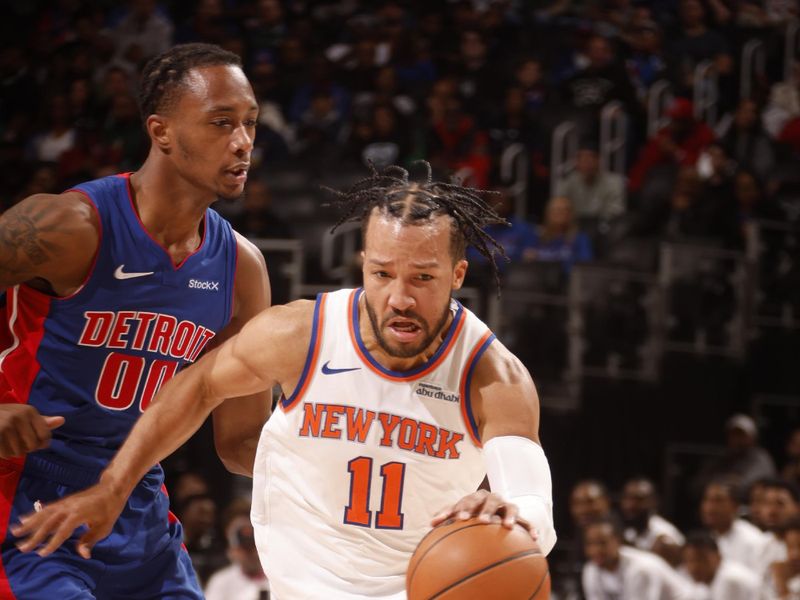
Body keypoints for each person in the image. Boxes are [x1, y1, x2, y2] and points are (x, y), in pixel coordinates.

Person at [13, 161, 558, 599]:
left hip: (421, 585)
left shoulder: (491, 373)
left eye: (423, 278)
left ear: (458, 275)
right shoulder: (303, 334)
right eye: (383, 273)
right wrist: (114, 485)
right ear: (363, 263)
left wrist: (516, 515)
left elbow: (530, 487)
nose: (399, 297)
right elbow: (200, 385)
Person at [0, 43, 272, 598]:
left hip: (137, 501)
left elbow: (241, 442)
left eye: (250, 123)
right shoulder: (66, 227)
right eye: (221, 123)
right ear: (161, 131)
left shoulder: (242, 268)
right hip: (24, 499)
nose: (242, 142)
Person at [581, 517, 692, 600]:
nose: (595, 550)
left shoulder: (641, 568)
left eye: (602, 543)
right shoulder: (591, 569)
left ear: (618, 542)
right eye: (590, 544)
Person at [204, 499, 270, 600]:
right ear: (232, 551)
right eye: (245, 549)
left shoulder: (277, 577)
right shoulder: (221, 581)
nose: (251, 554)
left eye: (254, 547)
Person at [619, 477, 684, 566]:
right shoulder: (629, 532)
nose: (630, 505)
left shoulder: (665, 535)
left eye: (638, 499)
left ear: (653, 501)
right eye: (627, 498)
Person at [680, 530, 760, 600]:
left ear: (718, 556)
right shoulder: (704, 584)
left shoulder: (730, 579)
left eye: (700, 559)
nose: (694, 567)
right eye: (689, 561)